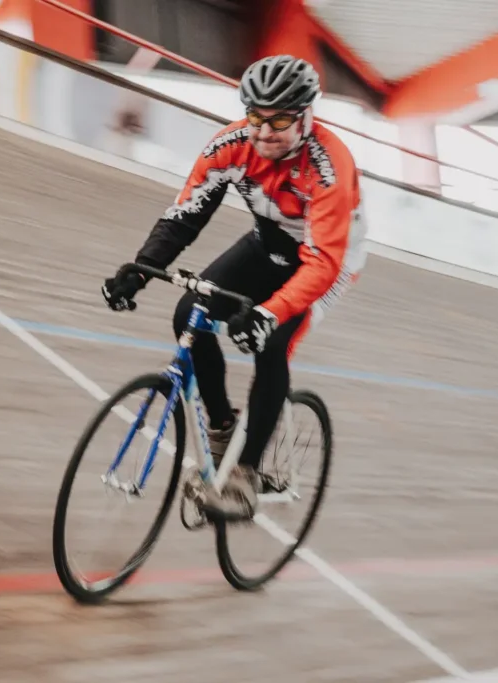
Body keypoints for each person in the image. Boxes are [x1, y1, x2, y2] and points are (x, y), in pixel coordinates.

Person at [101, 54, 368, 521]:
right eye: (256, 117)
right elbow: (185, 216)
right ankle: (223, 428)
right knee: (190, 313)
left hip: (329, 260)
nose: (265, 132)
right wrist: (141, 269)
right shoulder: (231, 144)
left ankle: (244, 475)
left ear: (307, 116)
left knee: (272, 344)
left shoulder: (329, 168)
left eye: (280, 119)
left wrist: (268, 313)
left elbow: (322, 262)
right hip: (269, 243)